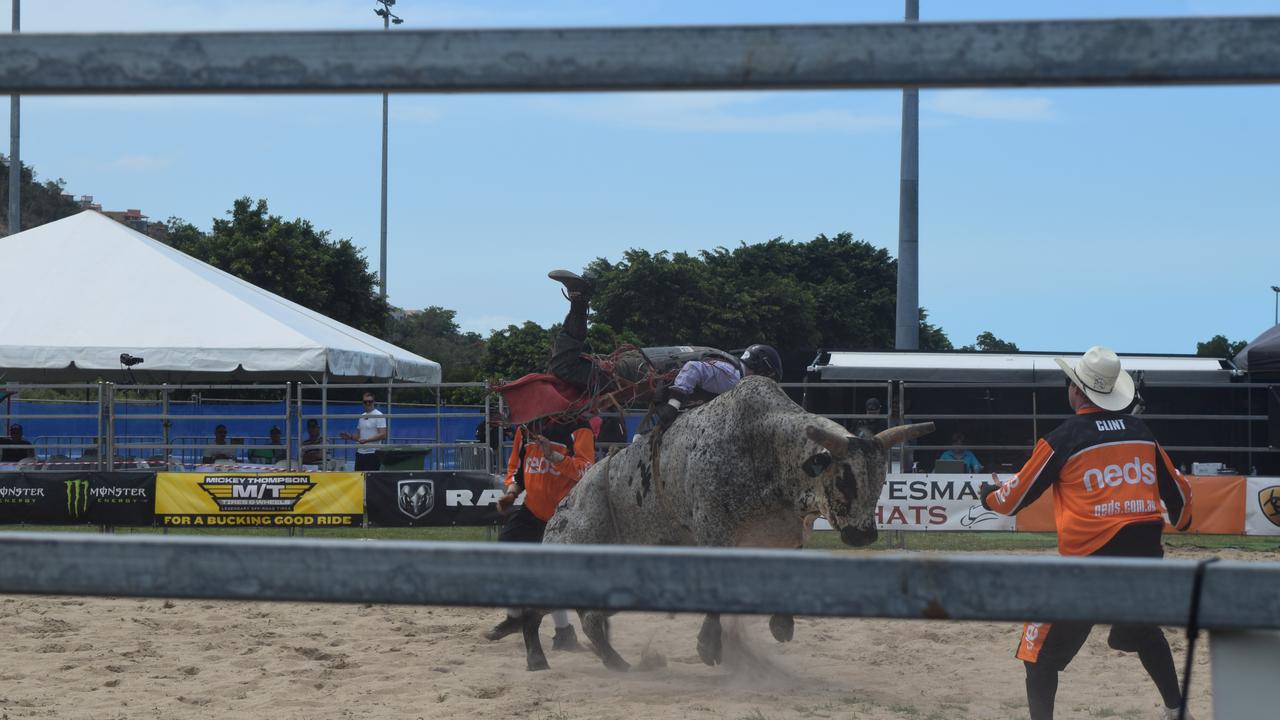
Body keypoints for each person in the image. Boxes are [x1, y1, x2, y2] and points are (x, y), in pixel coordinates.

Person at [978, 346, 1194, 720]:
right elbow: (1182, 500)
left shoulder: (1063, 438)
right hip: (1145, 563)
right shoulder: (1142, 433)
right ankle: (1176, 710)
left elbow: (1012, 501)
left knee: (1037, 654)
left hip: (1088, 567)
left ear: (1076, 391)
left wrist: (987, 498)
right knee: (1145, 632)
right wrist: (1183, 521)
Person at [546, 269, 782, 428]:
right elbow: (693, 369)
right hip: (638, 372)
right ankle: (580, 298)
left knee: (570, 379)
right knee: (565, 366)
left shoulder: (724, 362)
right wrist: (673, 405)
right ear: (762, 372)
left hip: (638, 365)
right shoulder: (732, 379)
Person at [484, 414, 595, 650]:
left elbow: (586, 471)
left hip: (563, 514)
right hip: (531, 509)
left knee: (550, 574)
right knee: (505, 555)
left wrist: (553, 456)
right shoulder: (526, 428)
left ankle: (564, 632)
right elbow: (517, 469)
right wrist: (512, 493)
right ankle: (514, 618)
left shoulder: (579, 427)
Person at [340, 392, 387, 471]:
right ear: (363, 403)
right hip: (360, 453)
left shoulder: (379, 415)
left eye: (370, 401)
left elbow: (383, 434)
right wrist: (350, 436)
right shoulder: (362, 416)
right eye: (365, 402)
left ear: (374, 402)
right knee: (359, 479)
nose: (367, 403)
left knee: (371, 479)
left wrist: (367, 440)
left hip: (373, 453)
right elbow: (359, 437)